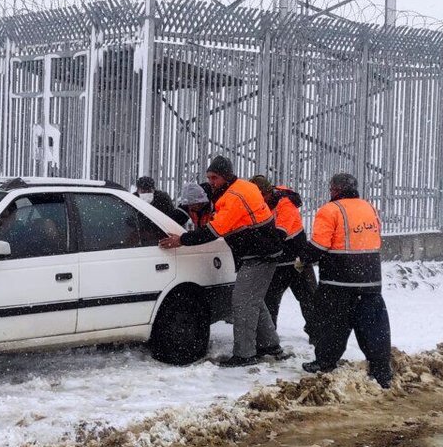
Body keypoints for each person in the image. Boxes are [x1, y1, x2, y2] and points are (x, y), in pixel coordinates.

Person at [160, 156, 289, 366]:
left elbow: (213, 231)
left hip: (259, 255)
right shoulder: (241, 187)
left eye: (214, 178)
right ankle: (270, 345)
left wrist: (181, 240)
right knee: (254, 300)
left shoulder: (233, 197)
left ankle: (244, 354)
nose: (211, 182)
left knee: (242, 302)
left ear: (226, 176)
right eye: (209, 177)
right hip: (263, 252)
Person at [300, 172, 392, 389]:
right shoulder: (369, 207)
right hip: (370, 279)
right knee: (373, 326)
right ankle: (381, 369)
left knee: (332, 325)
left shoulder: (330, 210)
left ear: (335, 189)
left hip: (338, 280)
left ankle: (325, 361)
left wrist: (303, 258)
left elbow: (320, 246)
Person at [250, 175, 318, 341]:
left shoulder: (285, 204)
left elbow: (279, 234)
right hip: (279, 260)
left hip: (297, 260)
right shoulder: (266, 203)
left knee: (308, 298)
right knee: (270, 300)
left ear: (267, 193)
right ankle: (269, 337)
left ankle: (318, 334)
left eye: (260, 197)